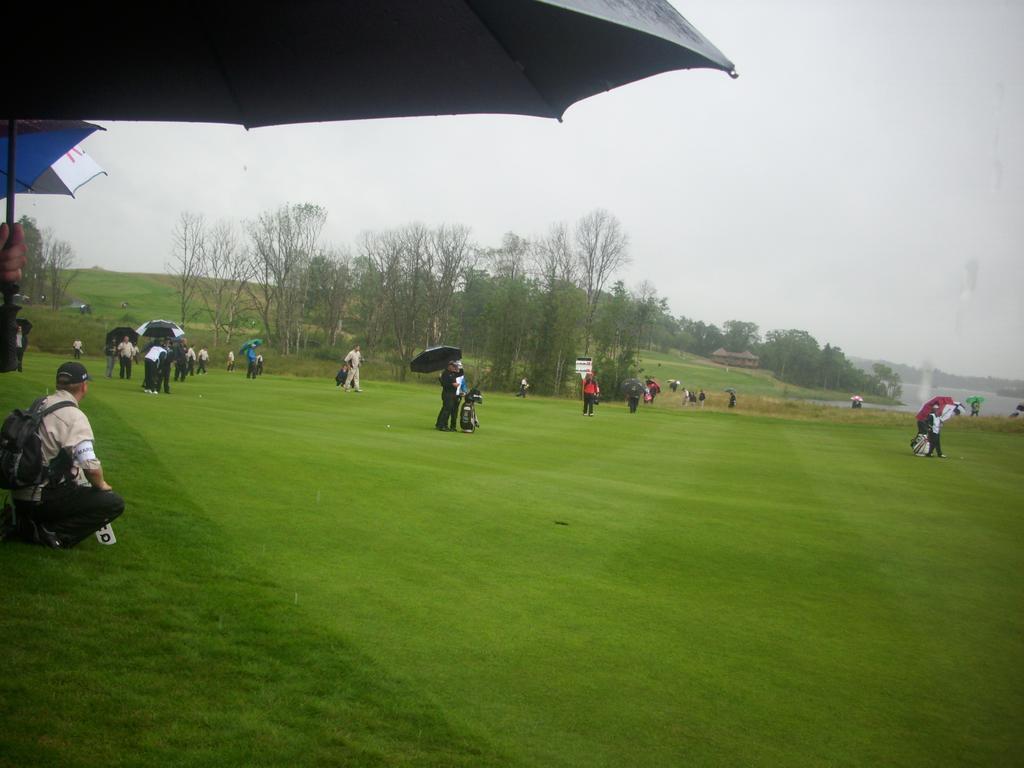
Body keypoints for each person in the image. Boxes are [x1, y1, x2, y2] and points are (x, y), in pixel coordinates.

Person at [7, 362, 125, 549]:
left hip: (20, 494)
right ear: (84, 386)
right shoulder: (74, 416)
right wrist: (102, 485)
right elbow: (91, 468)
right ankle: (50, 534)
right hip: (40, 498)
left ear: (58, 384)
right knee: (112, 502)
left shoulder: (41, 402)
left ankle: (25, 521)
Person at [436, 360, 460, 431]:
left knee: (445, 409)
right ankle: (443, 425)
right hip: (447, 394)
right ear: (449, 366)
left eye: (455, 366)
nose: (454, 367)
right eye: (453, 366)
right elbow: (444, 384)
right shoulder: (446, 373)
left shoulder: (453, 373)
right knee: (447, 409)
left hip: (452, 394)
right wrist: (452, 384)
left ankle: (439, 423)